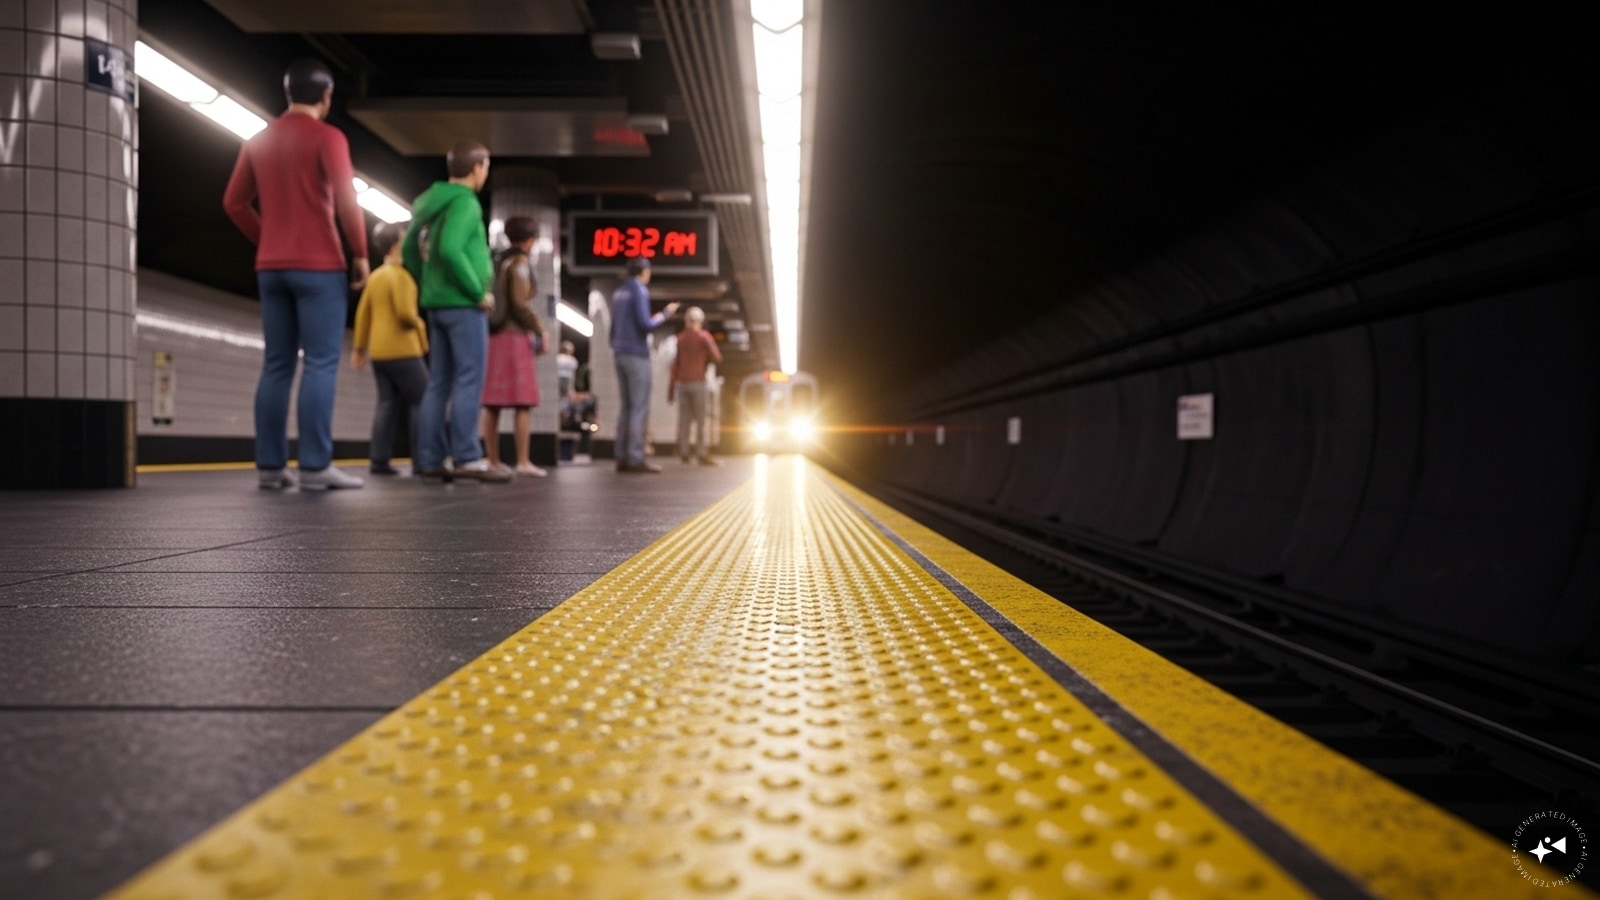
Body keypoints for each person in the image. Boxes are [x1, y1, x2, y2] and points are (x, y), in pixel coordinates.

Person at [223, 58, 369, 491]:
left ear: (289, 95)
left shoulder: (258, 139)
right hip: (320, 265)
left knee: (277, 364)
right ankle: (314, 466)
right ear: (325, 98)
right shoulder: (328, 137)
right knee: (320, 363)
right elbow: (346, 198)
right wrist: (360, 253)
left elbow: (233, 203)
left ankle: (270, 467)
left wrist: (268, 237)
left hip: (271, 267)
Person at [401, 140, 510, 483]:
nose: (485, 173)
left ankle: (431, 459)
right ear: (476, 168)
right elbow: (449, 248)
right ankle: (466, 457)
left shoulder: (432, 203)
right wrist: (477, 291)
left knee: (439, 383)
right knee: (468, 379)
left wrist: (428, 284)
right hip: (464, 305)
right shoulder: (465, 202)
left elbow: (407, 248)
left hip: (437, 304)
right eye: (486, 167)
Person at [351, 222, 429, 476]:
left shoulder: (375, 276)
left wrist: (359, 348)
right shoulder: (401, 276)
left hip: (379, 352)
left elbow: (363, 314)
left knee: (387, 403)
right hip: (404, 350)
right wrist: (420, 326)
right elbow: (406, 314)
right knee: (422, 400)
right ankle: (422, 461)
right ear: (397, 245)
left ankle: (379, 459)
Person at [480, 216, 549, 477]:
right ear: (530, 240)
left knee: (492, 402)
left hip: (494, 336)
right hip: (515, 337)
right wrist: (539, 328)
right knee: (524, 401)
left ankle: (494, 460)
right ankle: (522, 460)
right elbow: (520, 303)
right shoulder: (519, 264)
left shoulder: (497, 261)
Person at [609, 257, 678, 472]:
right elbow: (645, 324)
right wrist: (665, 314)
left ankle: (621, 456)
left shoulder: (618, 293)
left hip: (619, 353)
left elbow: (612, 331)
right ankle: (636, 456)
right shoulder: (639, 289)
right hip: (637, 354)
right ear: (644, 271)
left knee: (627, 407)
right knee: (639, 406)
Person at [667, 306, 723, 466]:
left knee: (684, 420)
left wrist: (671, 389)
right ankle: (700, 452)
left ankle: (684, 452)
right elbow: (717, 356)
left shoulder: (680, 339)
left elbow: (675, 364)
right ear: (700, 321)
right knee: (700, 420)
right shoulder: (704, 337)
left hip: (683, 383)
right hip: (698, 382)